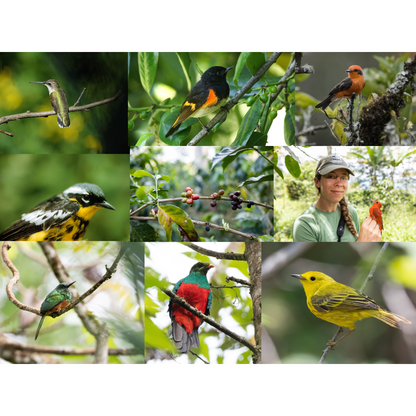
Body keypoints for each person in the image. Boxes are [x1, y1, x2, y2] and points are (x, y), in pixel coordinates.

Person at [292, 155, 381, 242]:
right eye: (331, 176)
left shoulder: (351, 212)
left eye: (343, 178)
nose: (339, 183)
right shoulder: (304, 224)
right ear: (317, 182)